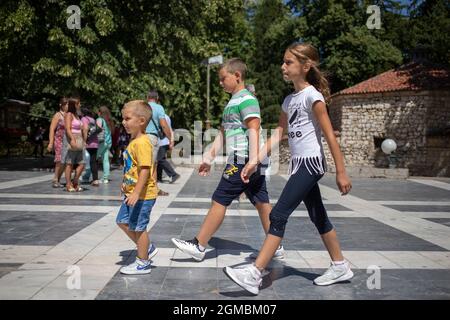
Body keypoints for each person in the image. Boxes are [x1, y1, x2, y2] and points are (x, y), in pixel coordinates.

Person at [223, 42, 353, 295]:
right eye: (283, 61)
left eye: (288, 62)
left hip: (311, 163)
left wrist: (341, 171)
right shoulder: (289, 100)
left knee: (278, 214)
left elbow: (329, 136)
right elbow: (278, 134)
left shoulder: (313, 97)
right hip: (297, 166)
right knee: (318, 215)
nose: (283, 66)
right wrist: (254, 160)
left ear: (306, 66)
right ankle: (340, 266)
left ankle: (254, 273)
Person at [171, 58, 284, 261]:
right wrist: (209, 157)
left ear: (237, 76)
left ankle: (199, 245)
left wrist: (251, 161)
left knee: (219, 199)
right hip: (247, 160)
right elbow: (223, 133)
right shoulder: (232, 102)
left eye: (223, 78)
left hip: (243, 160)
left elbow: (254, 130)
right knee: (261, 202)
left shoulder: (247, 99)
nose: (220, 83)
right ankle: (275, 246)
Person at [117, 100, 159, 274]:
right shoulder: (134, 141)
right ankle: (146, 247)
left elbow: (144, 171)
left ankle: (143, 262)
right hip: (133, 193)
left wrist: (136, 192)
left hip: (143, 195)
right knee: (122, 221)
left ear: (141, 121)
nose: (123, 122)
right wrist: (126, 183)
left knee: (138, 227)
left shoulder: (142, 143)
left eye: (127, 118)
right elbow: (132, 168)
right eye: (123, 119)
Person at [145, 90, 172, 196]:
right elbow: (164, 125)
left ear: (147, 97)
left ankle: (142, 186)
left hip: (140, 137)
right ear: (157, 98)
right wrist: (170, 138)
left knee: (142, 163)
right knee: (153, 164)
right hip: (152, 137)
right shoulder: (159, 108)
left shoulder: (142, 106)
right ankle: (153, 188)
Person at [63, 98, 86, 192]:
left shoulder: (77, 115)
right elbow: (67, 128)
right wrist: (72, 139)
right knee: (69, 163)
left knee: (82, 163)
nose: (80, 105)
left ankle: (75, 181)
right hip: (72, 138)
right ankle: (68, 184)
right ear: (74, 104)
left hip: (79, 139)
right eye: (78, 103)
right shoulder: (69, 114)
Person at [47, 97, 68, 188]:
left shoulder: (70, 115)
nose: (67, 106)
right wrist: (51, 142)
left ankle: (58, 178)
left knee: (66, 161)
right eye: (66, 104)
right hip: (59, 140)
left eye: (68, 104)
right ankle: (55, 179)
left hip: (68, 141)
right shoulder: (57, 115)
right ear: (61, 105)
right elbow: (52, 129)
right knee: (59, 160)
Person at [157, 114, 180, 183]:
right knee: (159, 160)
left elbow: (168, 128)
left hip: (162, 141)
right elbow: (170, 129)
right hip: (163, 141)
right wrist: (171, 140)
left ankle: (174, 174)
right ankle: (158, 178)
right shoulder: (165, 116)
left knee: (160, 159)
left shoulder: (161, 116)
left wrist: (171, 140)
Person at [80, 108, 100, 186]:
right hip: (95, 142)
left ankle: (76, 178)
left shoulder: (84, 119)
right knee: (93, 161)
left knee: (80, 160)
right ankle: (95, 179)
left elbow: (85, 130)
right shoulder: (92, 119)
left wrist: (84, 141)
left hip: (88, 143)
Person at [96, 106, 113, 184]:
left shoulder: (100, 120)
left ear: (100, 112)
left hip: (101, 142)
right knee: (105, 160)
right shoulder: (109, 121)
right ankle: (105, 178)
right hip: (108, 143)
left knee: (92, 158)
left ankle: (87, 175)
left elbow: (97, 130)